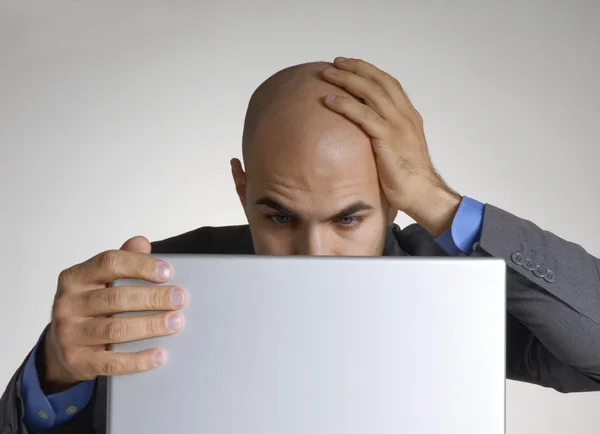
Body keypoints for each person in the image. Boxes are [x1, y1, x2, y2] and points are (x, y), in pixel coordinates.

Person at [2, 57, 599, 433]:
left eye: (348, 218)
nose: (314, 254)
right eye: (281, 216)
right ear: (242, 189)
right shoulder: (159, 281)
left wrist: (438, 201)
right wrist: (56, 375)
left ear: (394, 200)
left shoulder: (457, 285)